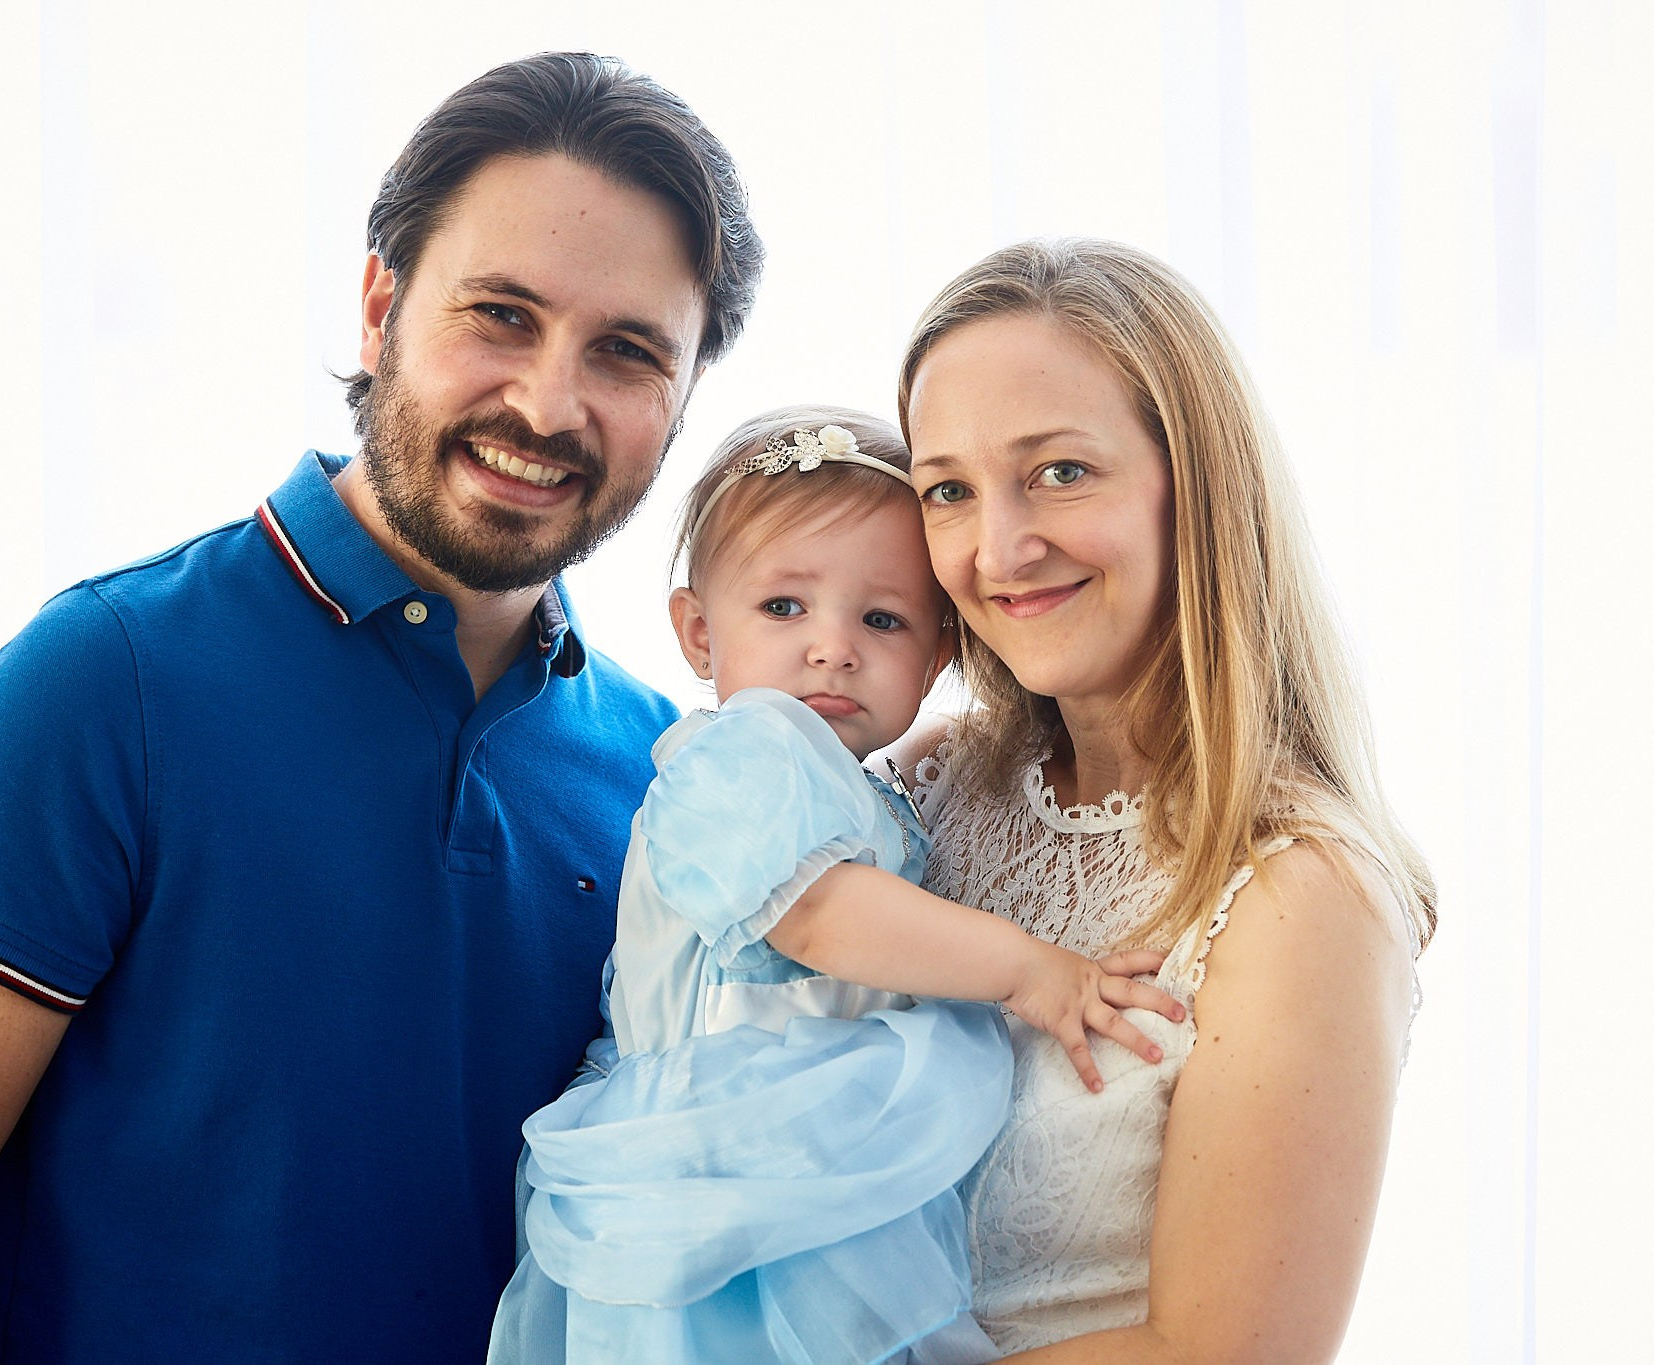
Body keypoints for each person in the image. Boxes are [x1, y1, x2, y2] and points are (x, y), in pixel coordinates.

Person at [0, 52, 764, 1364]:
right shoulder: (107, 680)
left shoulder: (676, 776)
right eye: (499, 316)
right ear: (381, 307)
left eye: (625, 353)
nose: (550, 404)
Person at [812, 238, 1435, 1360]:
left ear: (1192, 486)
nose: (999, 547)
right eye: (947, 490)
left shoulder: (1301, 896)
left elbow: (1219, 1352)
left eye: (1059, 471)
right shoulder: (930, 783)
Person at [484, 408, 1188, 1364]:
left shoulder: (866, 787)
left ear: (938, 656)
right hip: (720, 1157)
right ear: (698, 633)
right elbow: (815, 913)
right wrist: (1033, 970)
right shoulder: (744, 751)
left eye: (882, 619)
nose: (832, 647)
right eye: (783, 607)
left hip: (791, 1161)